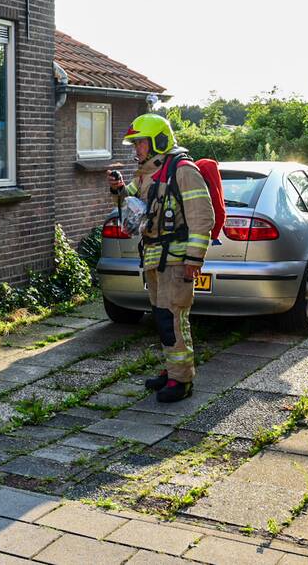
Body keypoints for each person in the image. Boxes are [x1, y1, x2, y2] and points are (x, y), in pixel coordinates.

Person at [108, 114, 214, 403]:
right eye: (136, 144)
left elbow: (202, 217)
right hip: (154, 259)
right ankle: (172, 371)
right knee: (162, 317)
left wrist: (194, 260)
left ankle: (182, 380)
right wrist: (118, 189)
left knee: (173, 319)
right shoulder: (148, 171)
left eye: (140, 143)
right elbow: (132, 201)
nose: (136, 149)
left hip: (177, 260)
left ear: (158, 141)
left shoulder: (183, 170)